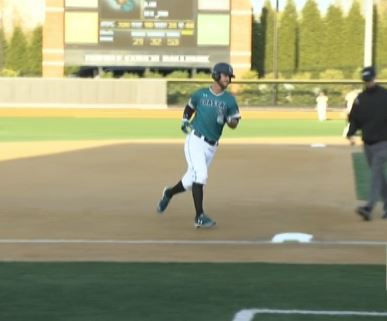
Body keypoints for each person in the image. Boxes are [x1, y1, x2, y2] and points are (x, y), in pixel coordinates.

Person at [156, 62, 241, 228]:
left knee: (189, 181)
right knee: (201, 175)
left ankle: (169, 193)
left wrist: (230, 121)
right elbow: (190, 107)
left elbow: (234, 122)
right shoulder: (201, 94)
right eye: (225, 75)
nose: (228, 79)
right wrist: (185, 120)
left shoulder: (229, 100)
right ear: (216, 75)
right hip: (195, 139)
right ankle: (199, 216)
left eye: (229, 76)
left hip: (212, 146)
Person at [347, 66, 387, 221]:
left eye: (370, 79)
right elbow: (354, 119)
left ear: (375, 78)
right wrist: (350, 133)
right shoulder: (360, 98)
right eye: (366, 80)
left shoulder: (385, 95)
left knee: (376, 173)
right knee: (379, 176)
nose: (368, 82)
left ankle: (368, 207)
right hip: (368, 144)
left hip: (384, 143)